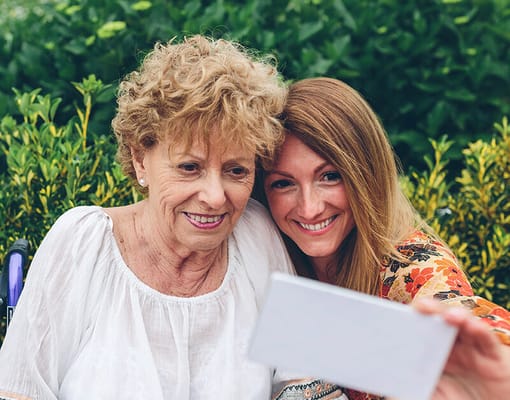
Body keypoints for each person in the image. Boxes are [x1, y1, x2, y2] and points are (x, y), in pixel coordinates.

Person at [0, 35, 294, 400]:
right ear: (141, 160)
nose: (216, 196)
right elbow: (19, 391)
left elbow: (301, 377)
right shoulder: (83, 245)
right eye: (190, 167)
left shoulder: (254, 235)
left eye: (236, 171)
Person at [257, 77, 510, 400]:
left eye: (330, 176)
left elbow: (459, 318)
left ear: (366, 174)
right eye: (283, 183)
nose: (309, 208)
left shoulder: (410, 266)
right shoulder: (265, 255)